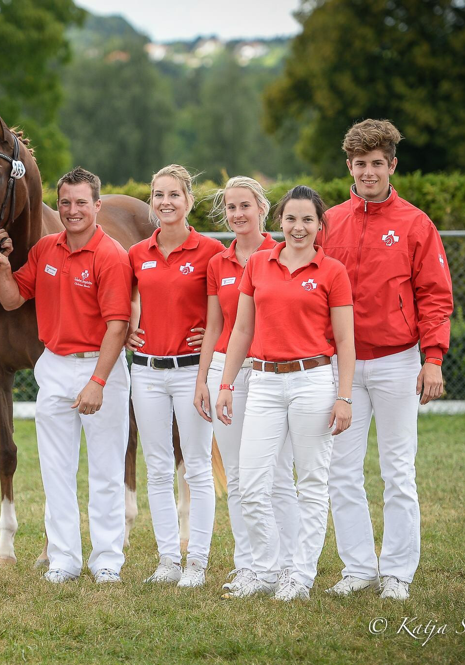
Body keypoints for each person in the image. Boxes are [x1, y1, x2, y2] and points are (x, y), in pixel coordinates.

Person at [323, 119, 454, 601]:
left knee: (398, 470)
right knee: (342, 469)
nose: (369, 172)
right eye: (360, 164)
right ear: (349, 167)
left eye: (378, 163)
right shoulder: (329, 222)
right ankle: (358, 567)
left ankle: (397, 571)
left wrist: (432, 357)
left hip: (399, 362)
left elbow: (435, 296)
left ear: (392, 165)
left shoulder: (416, 224)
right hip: (342, 368)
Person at [0, 166, 132, 584]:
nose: (72, 210)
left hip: (99, 367)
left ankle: (107, 560)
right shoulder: (45, 250)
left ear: (97, 206)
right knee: (56, 470)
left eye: (81, 202)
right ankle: (64, 559)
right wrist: (0, 270)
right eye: (65, 202)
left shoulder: (111, 256)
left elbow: (118, 326)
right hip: (53, 366)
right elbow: (13, 301)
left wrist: (98, 382)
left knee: (105, 470)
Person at [215, 185, 354, 601]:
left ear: (319, 225)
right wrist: (225, 384)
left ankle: (300, 575)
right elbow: (241, 329)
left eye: (307, 219)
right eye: (291, 218)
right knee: (252, 485)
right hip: (263, 382)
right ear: (279, 221)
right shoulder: (258, 264)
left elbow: (346, 342)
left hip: (313, 382)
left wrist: (344, 397)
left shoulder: (333, 272)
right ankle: (266, 567)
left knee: (311, 482)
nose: (298, 227)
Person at [193, 176, 300, 594]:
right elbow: (214, 325)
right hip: (227, 370)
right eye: (231, 208)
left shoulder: (284, 254)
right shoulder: (218, 264)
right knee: (236, 475)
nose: (238, 215)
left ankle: (290, 565)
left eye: (245, 206)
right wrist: (205, 379)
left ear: (262, 209)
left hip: (273, 370)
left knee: (275, 473)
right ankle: (251, 564)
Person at [125, 165, 223, 587]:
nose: (166, 202)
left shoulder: (210, 253)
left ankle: (197, 562)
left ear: (188, 201)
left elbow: (227, 309)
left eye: (174, 195)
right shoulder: (137, 254)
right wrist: (129, 325)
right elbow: (128, 300)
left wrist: (213, 337)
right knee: (158, 469)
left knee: (197, 468)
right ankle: (167, 561)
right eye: (158, 195)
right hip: (146, 373)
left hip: (190, 374)